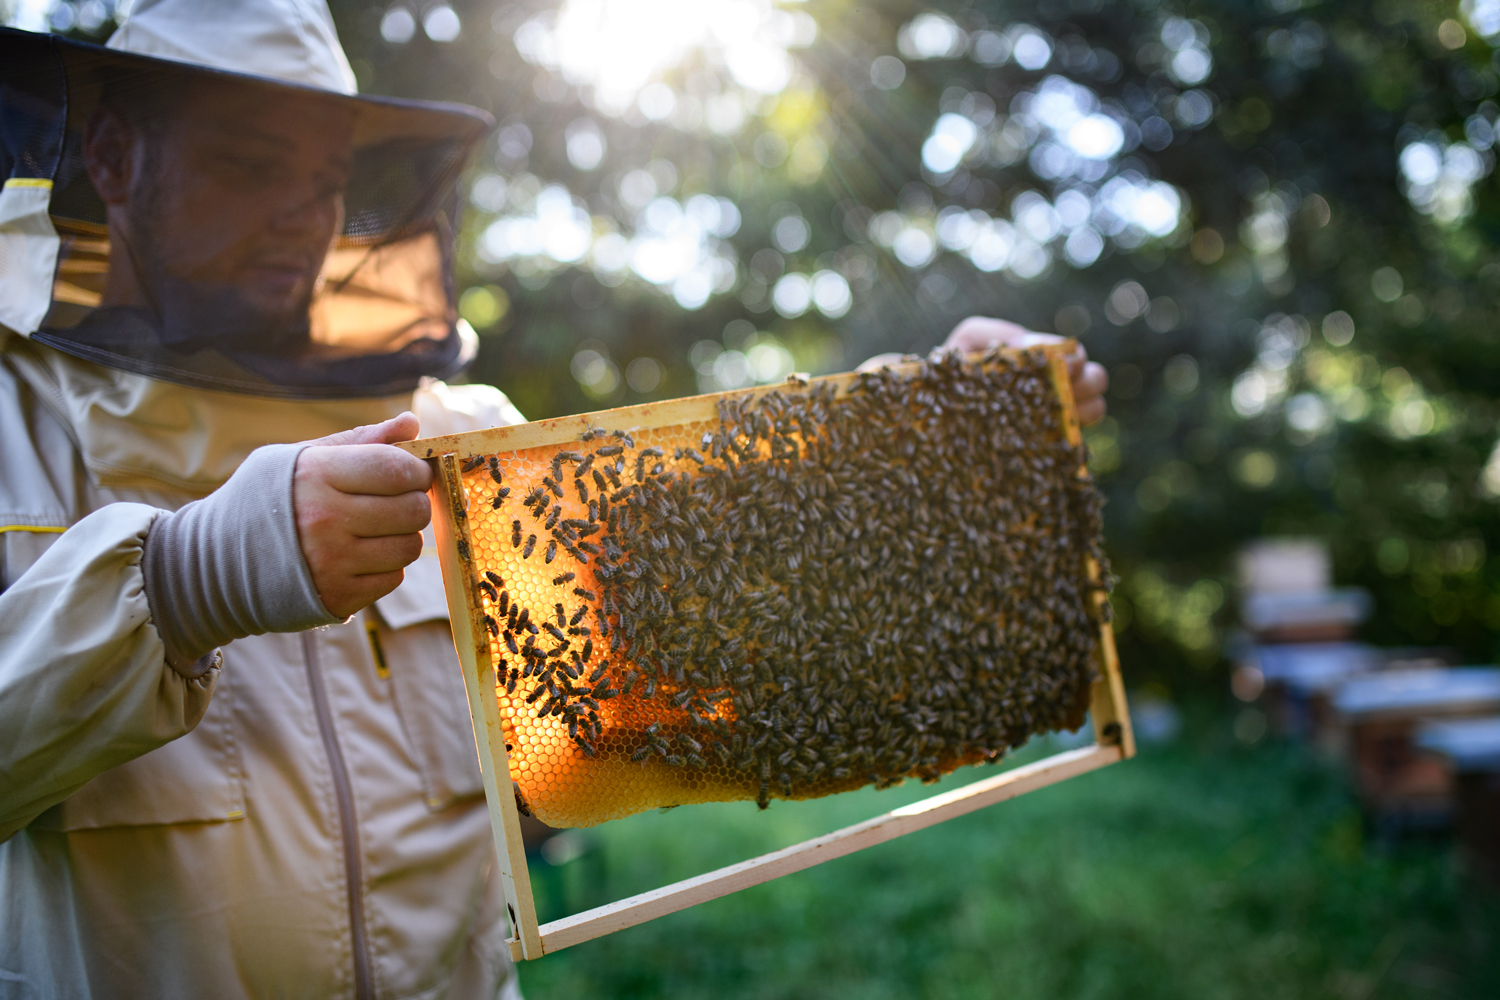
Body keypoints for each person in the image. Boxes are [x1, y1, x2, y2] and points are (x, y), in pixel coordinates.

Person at [0, 2, 1106, 997]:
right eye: (248, 164)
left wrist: (936, 433)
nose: (302, 215)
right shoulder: (14, 427)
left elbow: (696, 596)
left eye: (326, 178)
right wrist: (179, 584)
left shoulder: (460, 435)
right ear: (113, 154)